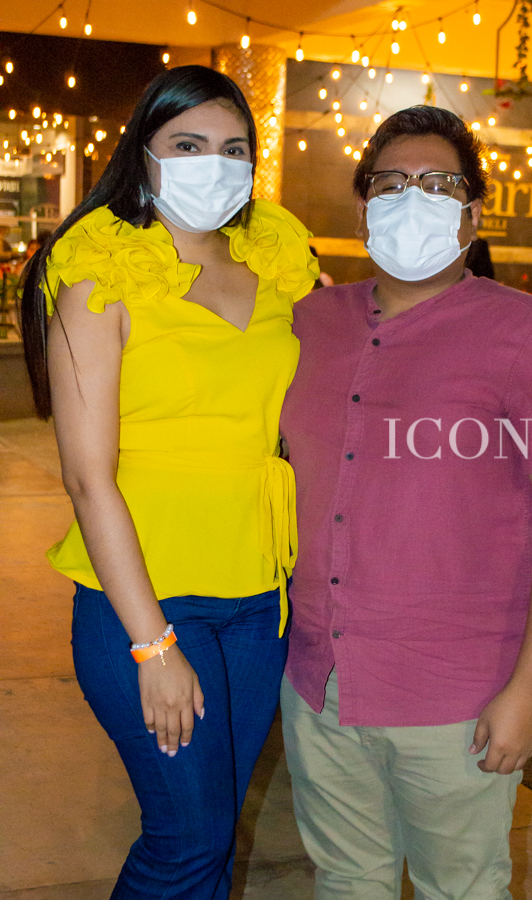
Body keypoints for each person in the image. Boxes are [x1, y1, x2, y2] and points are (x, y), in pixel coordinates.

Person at [279, 106, 532, 900]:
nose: (412, 199)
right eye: (391, 184)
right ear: (362, 208)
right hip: (320, 679)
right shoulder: (309, 323)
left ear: (473, 212)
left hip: (456, 692)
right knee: (344, 880)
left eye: (438, 184)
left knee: (457, 888)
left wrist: (530, 688)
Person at [20, 65, 317, 899]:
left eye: (234, 148)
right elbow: (87, 478)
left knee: (212, 839)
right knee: (185, 841)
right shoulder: (104, 274)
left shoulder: (273, 266)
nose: (213, 164)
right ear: (142, 153)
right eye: (188, 144)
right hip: (146, 600)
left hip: (258, 598)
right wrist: (153, 645)